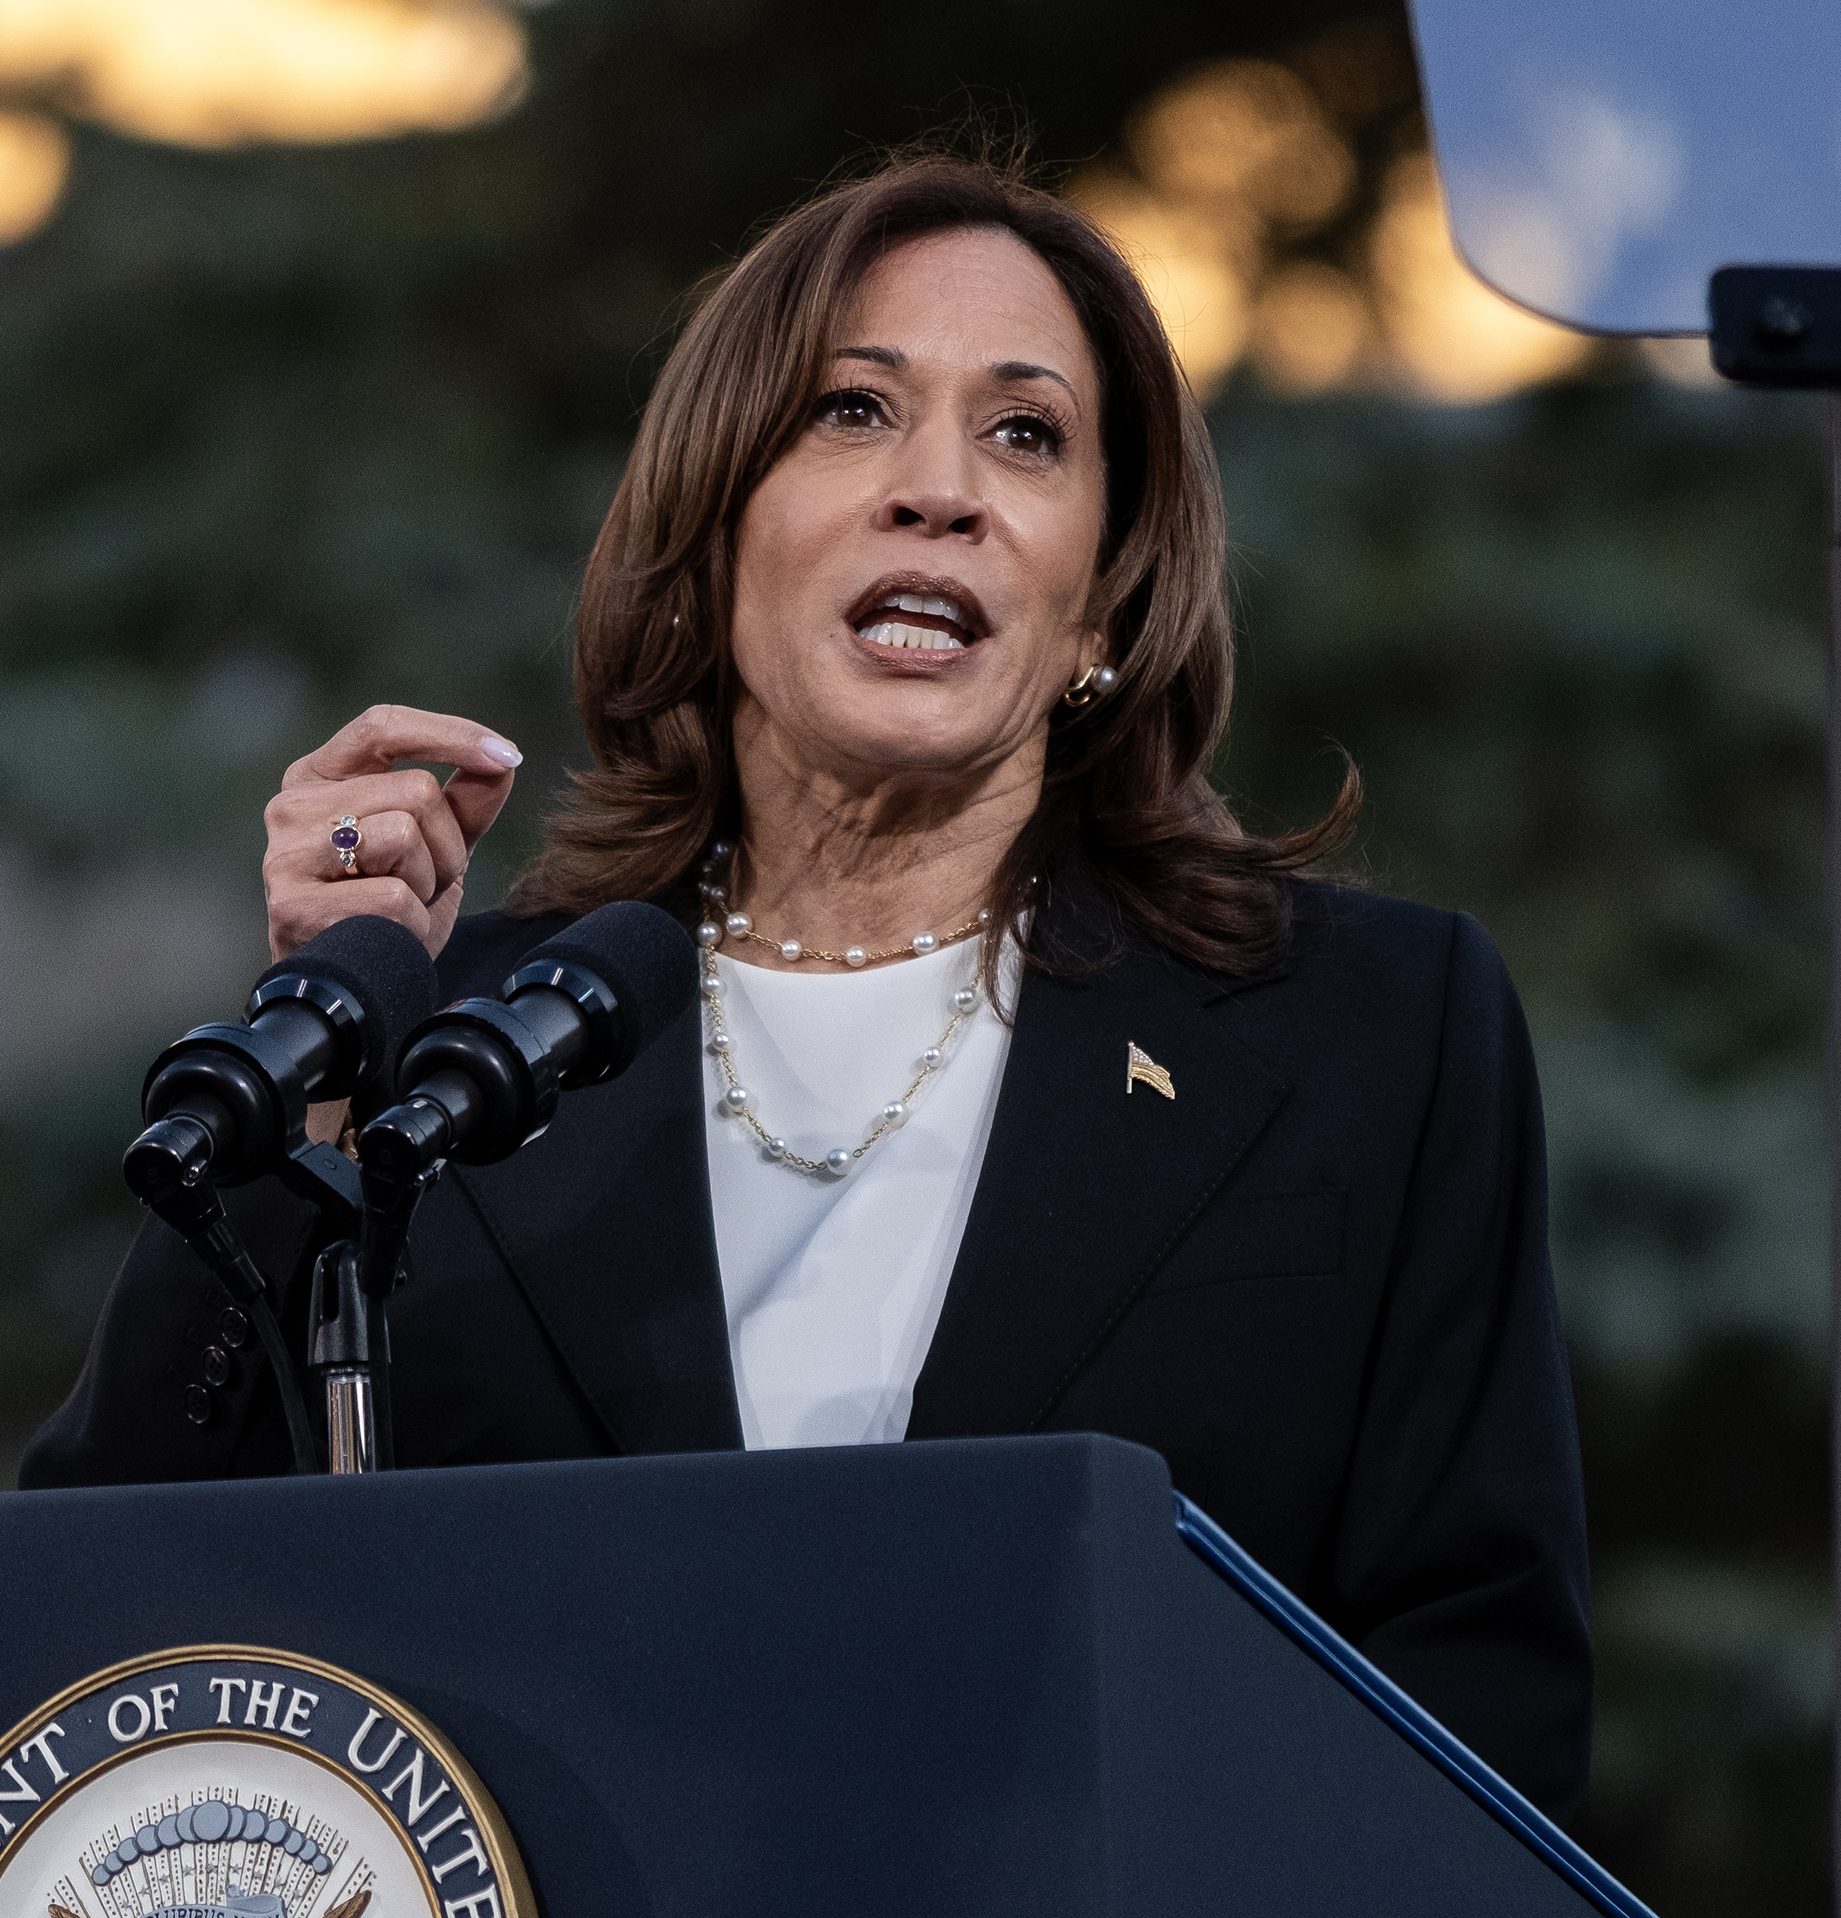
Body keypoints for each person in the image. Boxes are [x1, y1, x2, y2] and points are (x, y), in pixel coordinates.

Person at [21, 152, 1591, 1820]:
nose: (941, 490)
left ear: (1102, 603)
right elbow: (115, 1610)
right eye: (852, 412)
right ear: (709, 538)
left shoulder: (1361, 1028)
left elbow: (1473, 1689)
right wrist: (322, 1080)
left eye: (1025, 433)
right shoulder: (461, 1046)